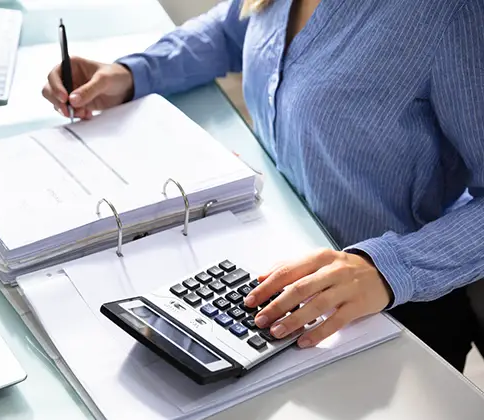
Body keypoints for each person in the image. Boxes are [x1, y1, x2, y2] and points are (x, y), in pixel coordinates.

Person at [42, 0, 484, 372]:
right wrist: (133, 72)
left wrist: (388, 268)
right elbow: (232, 31)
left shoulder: (452, 15)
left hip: (393, 303)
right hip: (273, 251)